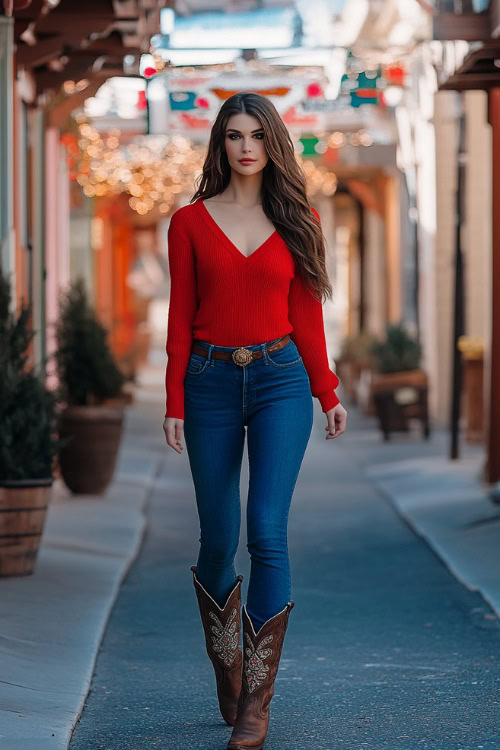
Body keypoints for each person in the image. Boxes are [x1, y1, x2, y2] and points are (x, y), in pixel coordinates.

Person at [163, 91, 347, 750]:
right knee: (218, 539)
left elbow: (308, 316)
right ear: (221, 144)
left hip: (281, 381)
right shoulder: (188, 223)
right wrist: (174, 401)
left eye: (257, 135)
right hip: (209, 383)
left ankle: (256, 704)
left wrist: (326, 391)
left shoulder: (299, 217)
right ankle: (228, 664)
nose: (246, 147)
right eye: (234, 135)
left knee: (267, 531)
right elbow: (180, 318)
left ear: (273, 144)